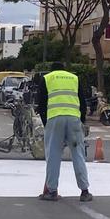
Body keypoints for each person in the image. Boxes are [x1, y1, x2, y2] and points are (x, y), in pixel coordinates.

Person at [33, 62, 92, 202]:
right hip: (73, 119)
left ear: (52, 70)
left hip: (55, 118)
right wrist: (81, 120)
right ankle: (84, 191)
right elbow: (83, 103)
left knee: (53, 155)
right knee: (78, 154)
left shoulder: (47, 78)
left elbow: (41, 104)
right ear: (64, 70)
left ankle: (52, 191)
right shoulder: (74, 78)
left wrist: (46, 123)